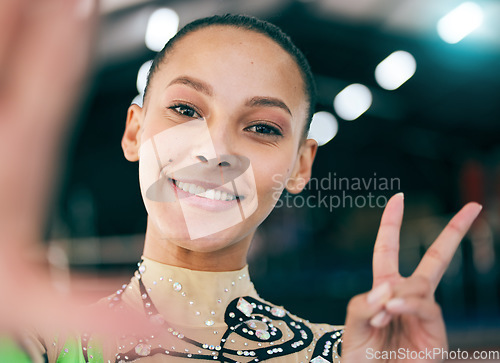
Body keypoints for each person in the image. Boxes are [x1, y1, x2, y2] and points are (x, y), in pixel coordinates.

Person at [0, 3, 482, 362]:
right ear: (134, 131)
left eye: (263, 128)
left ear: (299, 166)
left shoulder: (351, 353)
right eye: (186, 110)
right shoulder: (38, 341)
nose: (215, 150)